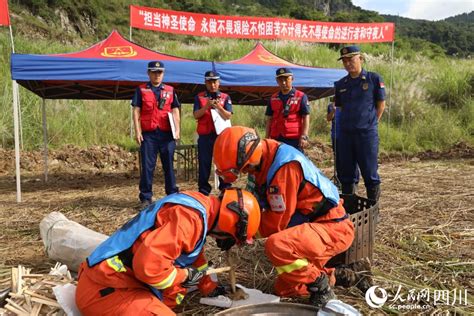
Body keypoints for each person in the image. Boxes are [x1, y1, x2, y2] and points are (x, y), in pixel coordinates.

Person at [213, 126, 355, 309]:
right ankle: (336, 275)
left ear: (250, 158)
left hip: (332, 227)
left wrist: (239, 233)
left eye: (245, 168)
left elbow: (276, 223)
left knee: (277, 245)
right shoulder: (266, 158)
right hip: (312, 225)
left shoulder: (284, 169)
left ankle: (322, 287)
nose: (246, 172)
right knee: (285, 289)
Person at [76, 188, 261, 316]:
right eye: (233, 238)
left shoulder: (200, 209)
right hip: (106, 290)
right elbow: (148, 267)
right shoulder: (189, 219)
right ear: (232, 223)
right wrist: (183, 276)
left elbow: (194, 257)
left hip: (112, 282)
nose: (228, 242)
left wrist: (209, 288)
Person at [334, 45, 385, 201]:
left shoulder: (373, 79)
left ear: (360, 58)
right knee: (346, 175)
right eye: (345, 61)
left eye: (351, 59)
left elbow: (380, 104)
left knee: (370, 174)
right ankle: (350, 211)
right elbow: (339, 108)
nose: (348, 63)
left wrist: (370, 123)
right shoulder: (341, 84)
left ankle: (374, 212)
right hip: (346, 135)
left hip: (366, 134)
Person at [132, 61, 181, 207]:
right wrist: (137, 131)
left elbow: (175, 110)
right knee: (148, 166)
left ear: (163, 74)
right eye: (154, 72)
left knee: (168, 165)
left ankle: (172, 194)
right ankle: (146, 197)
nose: (157, 75)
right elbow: (136, 111)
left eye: (159, 72)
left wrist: (177, 129)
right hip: (149, 134)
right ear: (148, 73)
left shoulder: (170, 90)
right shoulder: (141, 90)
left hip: (167, 134)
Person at [193, 71, 232, 196]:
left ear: (219, 83)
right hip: (205, 136)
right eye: (209, 82)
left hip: (221, 136)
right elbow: (196, 115)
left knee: (223, 163)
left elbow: (228, 116)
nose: (212, 84)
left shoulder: (225, 97)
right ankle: (203, 191)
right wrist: (206, 107)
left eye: (215, 81)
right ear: (205, 83)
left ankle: (225, 188)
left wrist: (219, 107)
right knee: (204, 164)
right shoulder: (199, 97)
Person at [265, 67, 310, 152]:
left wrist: (304, 136)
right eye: (280, 80)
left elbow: (306, 117)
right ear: (277, 81)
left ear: (292, 79)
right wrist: (266, 138)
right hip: (276, 138)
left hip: (294, 139)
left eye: (286, 79)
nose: (284, 82)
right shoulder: (273, 98)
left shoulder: (301, 96)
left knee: (295, 163)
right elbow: (269, 119)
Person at [326, 99, 360, 188]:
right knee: (338, 158)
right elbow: (328, 118)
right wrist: (333, 110)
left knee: (351, 157)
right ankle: (340, 180)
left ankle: (354, 180)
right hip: (336, 136)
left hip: (347, 135)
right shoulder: (331, 105)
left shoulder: (349, 103)